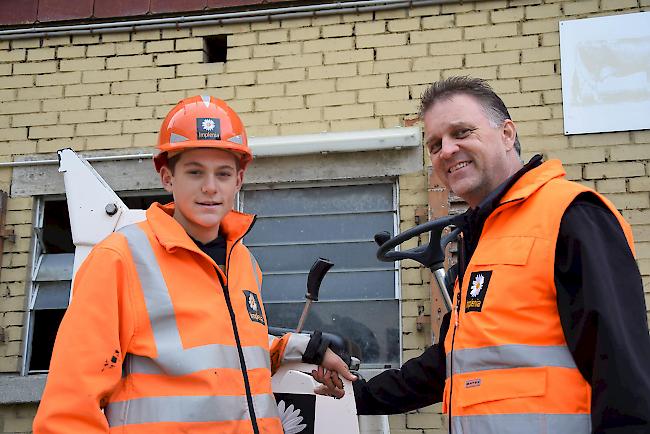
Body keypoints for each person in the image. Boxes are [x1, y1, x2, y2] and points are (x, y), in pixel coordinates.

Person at [315, 76, 650, 433]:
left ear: (507, 134)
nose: (446, 150)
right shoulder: (481, 241)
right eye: (434, 144)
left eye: (461, 132)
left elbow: (621, 375)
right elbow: (449, 365)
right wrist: (358, 395)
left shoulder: (571, 217)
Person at [33, 95, 354, 434]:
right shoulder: (120, 260)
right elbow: (68, 411)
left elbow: (233, 351)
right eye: (194, 171)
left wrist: (308, 349)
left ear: (239, 180)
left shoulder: (242, 262)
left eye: (223, 173)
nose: (210, 187)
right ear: (167, 177)